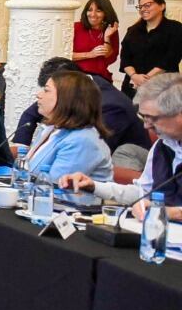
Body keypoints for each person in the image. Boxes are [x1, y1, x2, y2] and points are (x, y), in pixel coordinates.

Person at [61, 73, 182, 222]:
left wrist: (173, 213)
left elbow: (168, 210)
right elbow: (142, 192)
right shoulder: (163, 146)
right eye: (143, 117)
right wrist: (94, 186)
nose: (146, 125)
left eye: (152, 118)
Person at [11, 56, 150, 157]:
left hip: (127, 159)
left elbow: (91, 152)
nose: (39, 95)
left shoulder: (110, 107)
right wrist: (21, 150)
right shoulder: (73, 89)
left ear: (68, 86)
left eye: (47, 90)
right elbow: (31, 114)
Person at [21, 71, 113, 183]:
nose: (39, 95)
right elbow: (28, 172)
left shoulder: (81, 140)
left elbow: (55, 187)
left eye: (46, 90)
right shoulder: (52, 128)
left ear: (66, 98)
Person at [119, 0, 182, 96]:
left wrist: (144, 80)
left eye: (147, 5)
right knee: (129, 111)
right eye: (140, 6)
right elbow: (125, 57)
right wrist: (134, 76)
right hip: (132, 84)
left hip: (163, 86)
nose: (143, 9)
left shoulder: (175, 28)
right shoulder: (133, 30)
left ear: (162, 6)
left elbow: (171, 58)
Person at [71, 0, 119, 81]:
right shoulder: (75, 27)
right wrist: (90, 54)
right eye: (89, 10)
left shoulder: (111, 30)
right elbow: (63, 55)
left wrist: (107, 37)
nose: (93, 14)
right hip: (76, 76)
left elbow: (109, 58)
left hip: (100, 77)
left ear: (106, 13)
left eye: (98, 11)